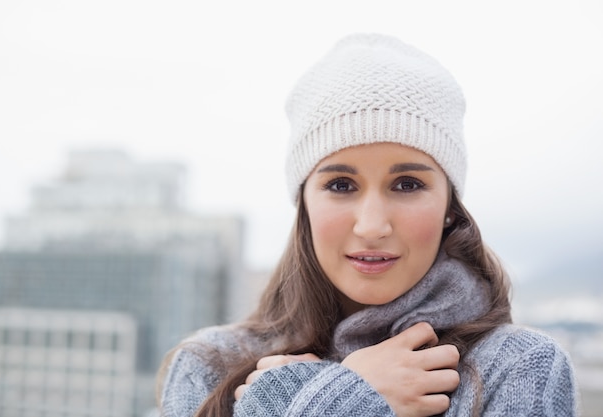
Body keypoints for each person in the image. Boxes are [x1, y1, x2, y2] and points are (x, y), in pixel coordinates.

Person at [156, 33, 577, 417]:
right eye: (341, 184)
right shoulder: (208, 366)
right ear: (303, 203)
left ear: (450, 204)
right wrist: (348, 397)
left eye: (407, 184)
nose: (372, 225)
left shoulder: (516, 366)